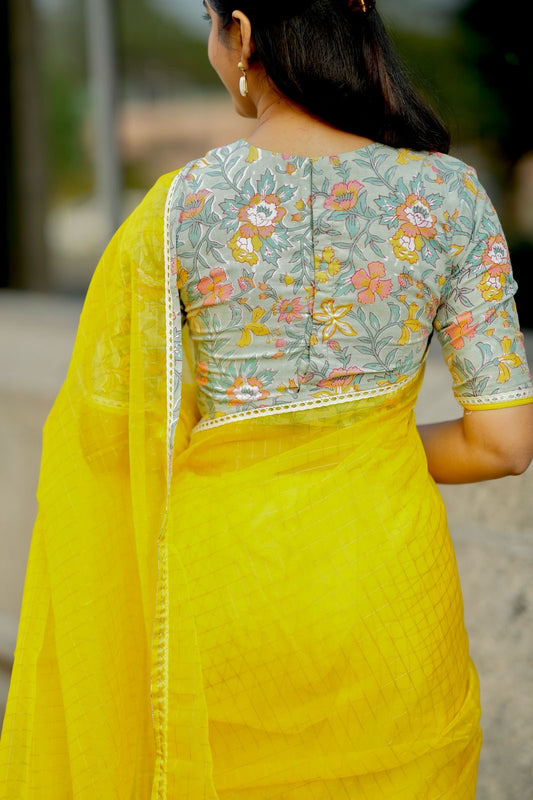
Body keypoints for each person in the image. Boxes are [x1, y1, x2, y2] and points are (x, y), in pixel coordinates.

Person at [1, 0, 533, 797]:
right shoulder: (451, 200)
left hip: (221, 605)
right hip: (385, 607)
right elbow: (502, 444)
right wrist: (363, 446)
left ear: (242, 33)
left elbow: (110, 437)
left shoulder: (177, 208)